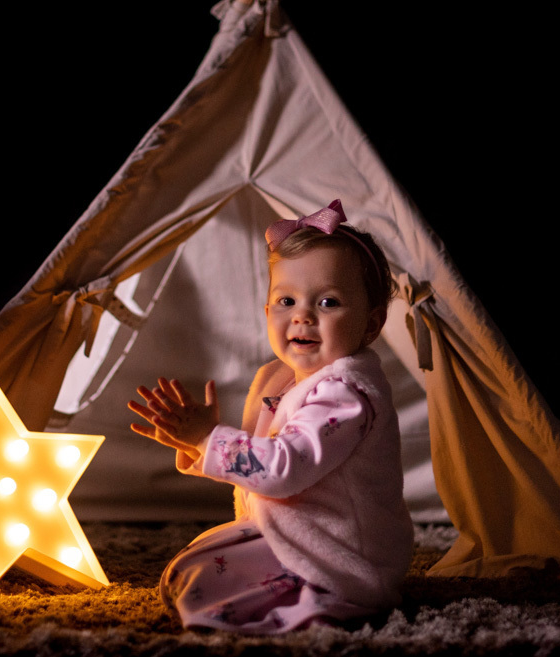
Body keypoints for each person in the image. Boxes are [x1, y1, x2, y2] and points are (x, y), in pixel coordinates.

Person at [128, 200, 414, 633]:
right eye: (286, 300)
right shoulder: (282, 379)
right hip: (293, 529)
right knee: (188, 565)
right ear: (267, 314)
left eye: (328, 302)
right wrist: (193, 442)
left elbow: (281, 467)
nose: (302, 314)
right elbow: (258, 463)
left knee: (202, 580)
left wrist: (211, 439)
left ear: (371, 325)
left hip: (339, 553)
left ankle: (331, 603)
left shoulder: (346, 395)